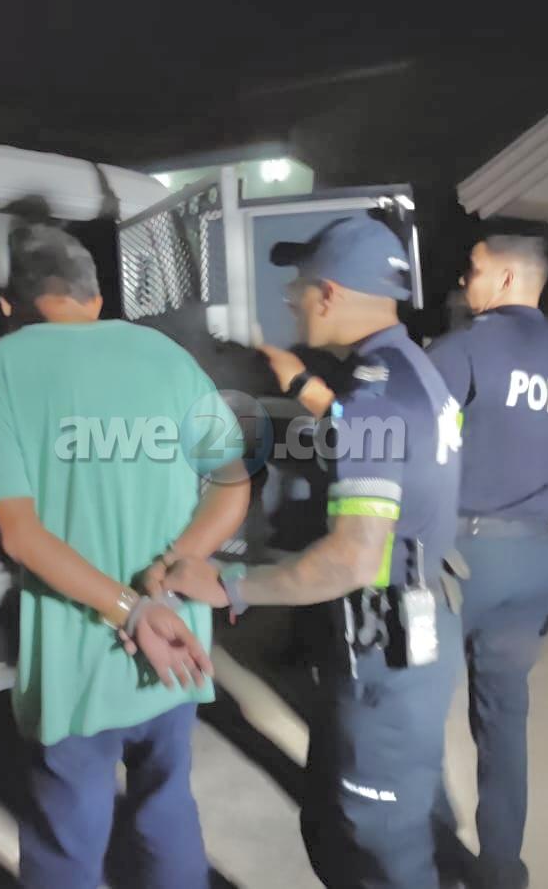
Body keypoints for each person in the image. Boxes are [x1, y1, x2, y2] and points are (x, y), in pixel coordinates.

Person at [164, 214, 464, 889]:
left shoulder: (374, 397)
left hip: (385, 642)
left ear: (328, 294)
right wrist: (301, 385)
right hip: (416, 622)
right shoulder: (410, 369)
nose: (292, 299)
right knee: (372, 816)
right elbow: (380, 446)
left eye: (298, 286)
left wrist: (230, 584)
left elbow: (349, 559)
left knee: (382, 841)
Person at [0, 224, 250, 889]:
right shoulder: (167, 356)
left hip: (80, 654)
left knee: (68, 833)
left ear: (9, 304)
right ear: (94, 297)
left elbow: (19, 535)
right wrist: (168, 573)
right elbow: (233, 484)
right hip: (177, 638)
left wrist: (129, 608)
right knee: (167, 805)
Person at [425, 234, 548, 889]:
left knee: (415, 707)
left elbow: (411, 440)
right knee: (504, 720)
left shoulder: (464, 348)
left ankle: (431, 854)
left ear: (511, 277)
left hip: (465, 557)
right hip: (535, 558)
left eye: (476, 269)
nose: (466, 280)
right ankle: (500, 869)